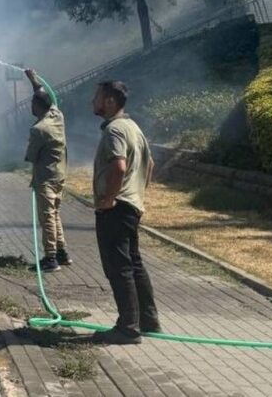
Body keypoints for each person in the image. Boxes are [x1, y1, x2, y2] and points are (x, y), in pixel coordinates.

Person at [91, 81, 160, 345]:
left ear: (109, 101)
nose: (92, 102)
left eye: (96, 97)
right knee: (134, 264)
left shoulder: (115, 130)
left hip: (116, 208)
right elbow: (150, 164)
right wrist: (138, 193)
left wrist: (109, 199)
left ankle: (128, 328)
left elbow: (119, 167)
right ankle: (148, 320)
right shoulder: (134, 127)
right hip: (132, 205)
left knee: (118, 267)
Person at [24, 69, 70, 272]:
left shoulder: (39, 130)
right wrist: (33, 80)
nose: (30, 106)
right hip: (60, 174)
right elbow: (43, 93)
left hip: (45, 178)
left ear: (37, 106)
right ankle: (62, 252)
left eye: (32, 104)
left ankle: (50, 258)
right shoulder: (57, 115)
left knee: (47, 217)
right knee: (55, 213)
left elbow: (30, 157)